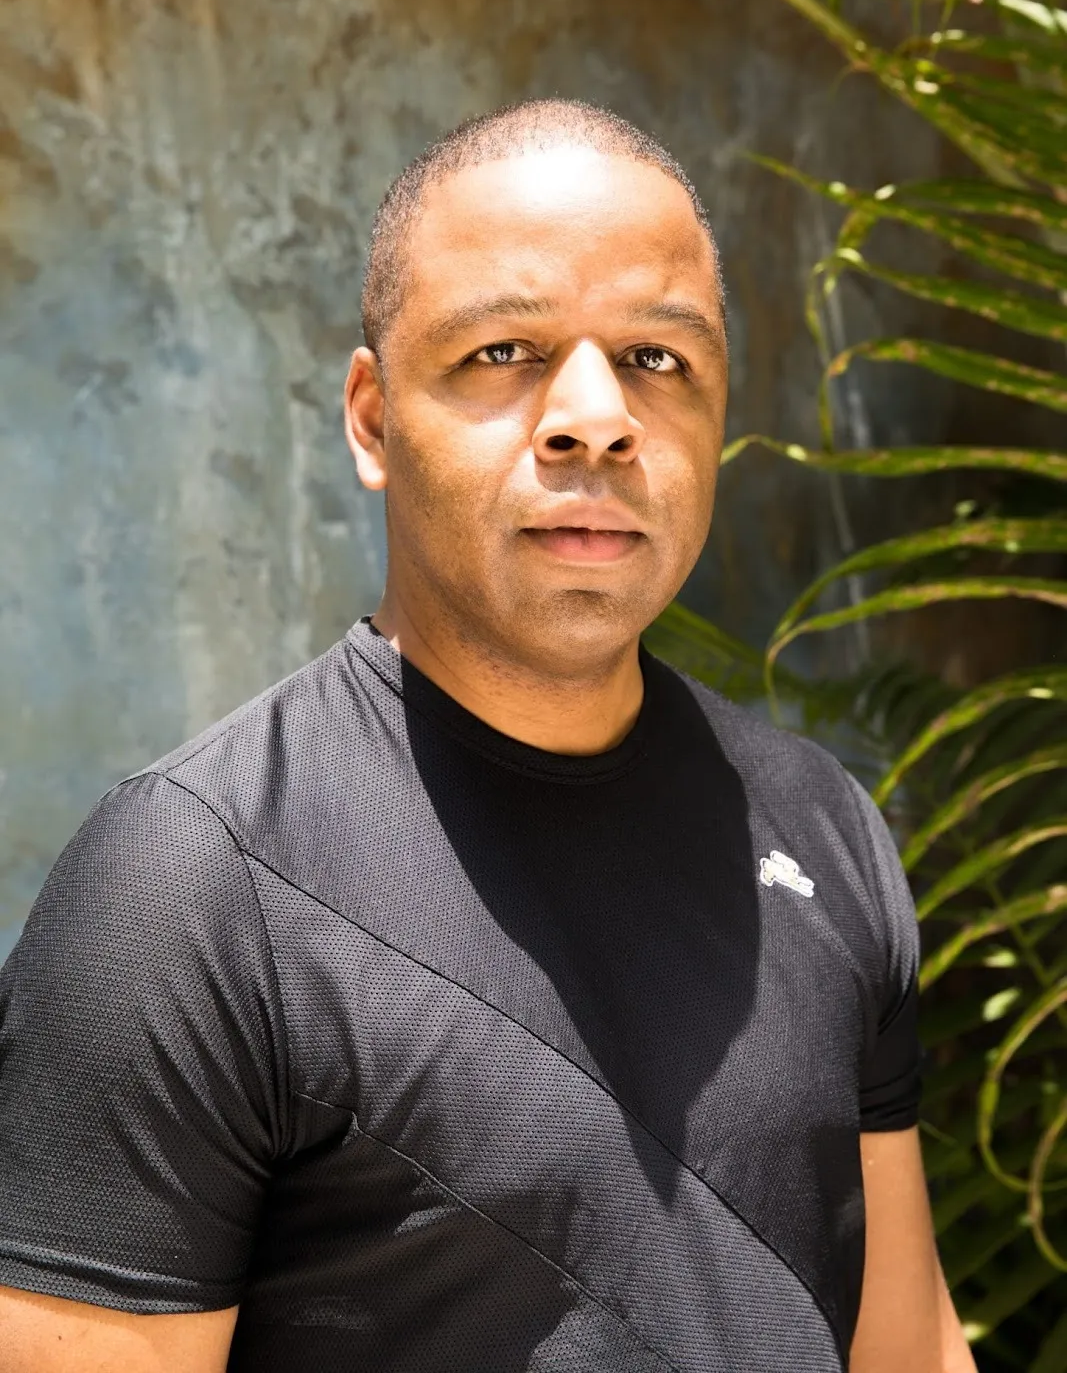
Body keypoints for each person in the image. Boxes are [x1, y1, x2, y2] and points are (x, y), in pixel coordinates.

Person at [0, 101, 975, 1373]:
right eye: (504, 351)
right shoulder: (186, 892)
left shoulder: (819, 828)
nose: (593, 417)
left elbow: (904, 1347)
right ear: (370, 418)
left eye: (656, 360)